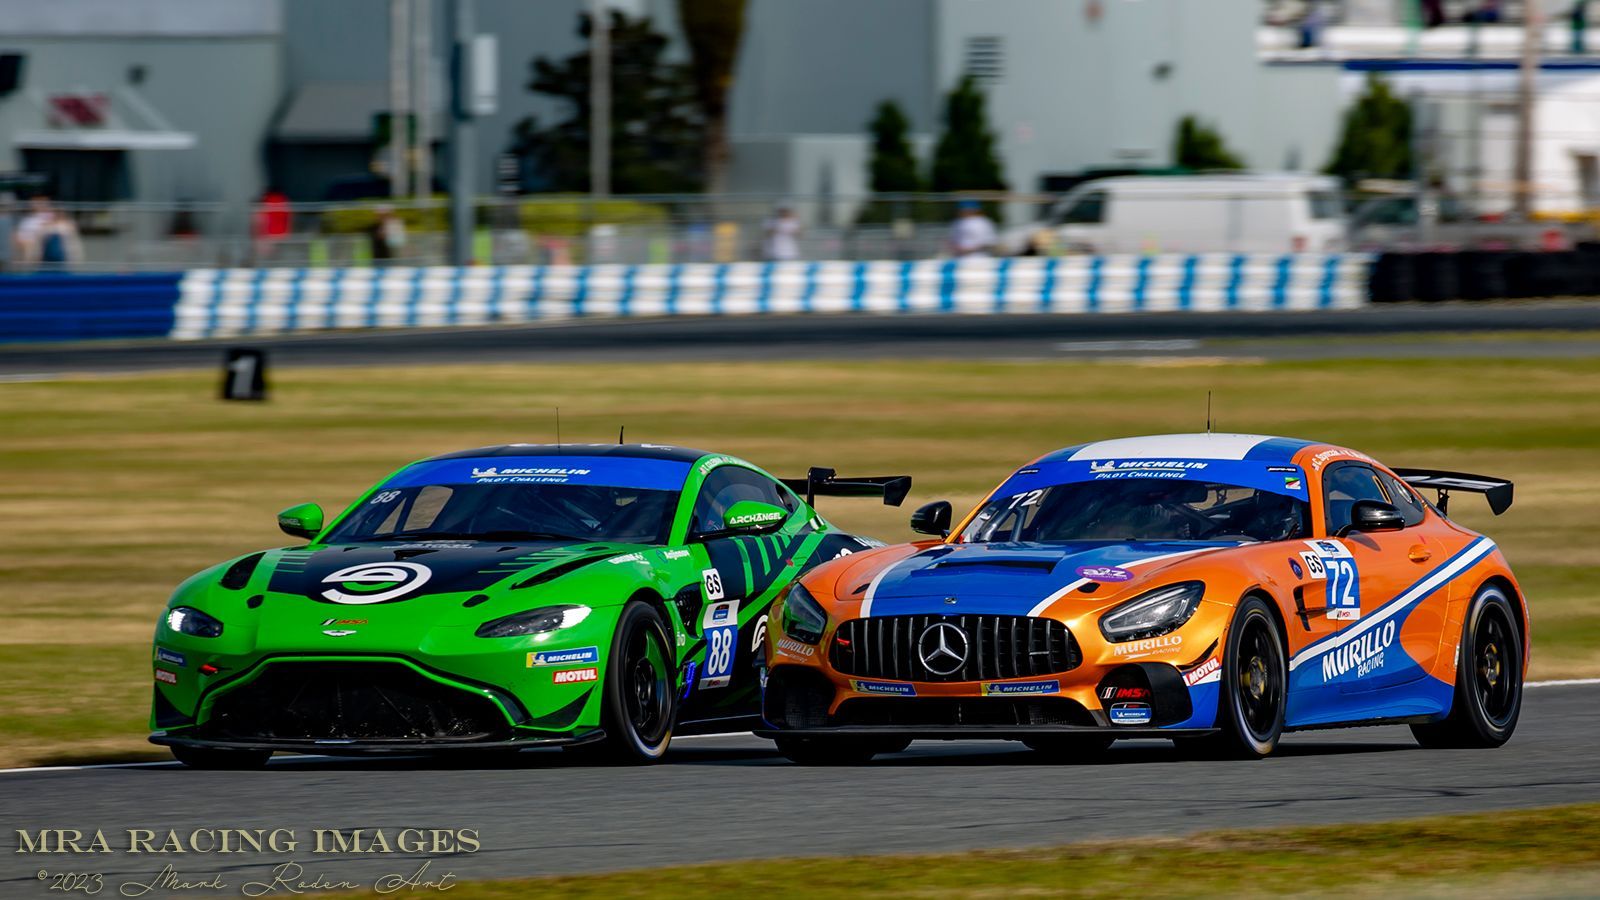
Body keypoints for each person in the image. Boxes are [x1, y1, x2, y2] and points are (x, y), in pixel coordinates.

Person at [14, 195, 83, 272]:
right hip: (36, 251)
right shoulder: (28, 221)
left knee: (56, 236)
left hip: (56, 251)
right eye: (37, 203)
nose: (40, 205)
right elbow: (21, 239)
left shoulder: (58, 219)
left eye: (42, 202)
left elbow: (67, 229)